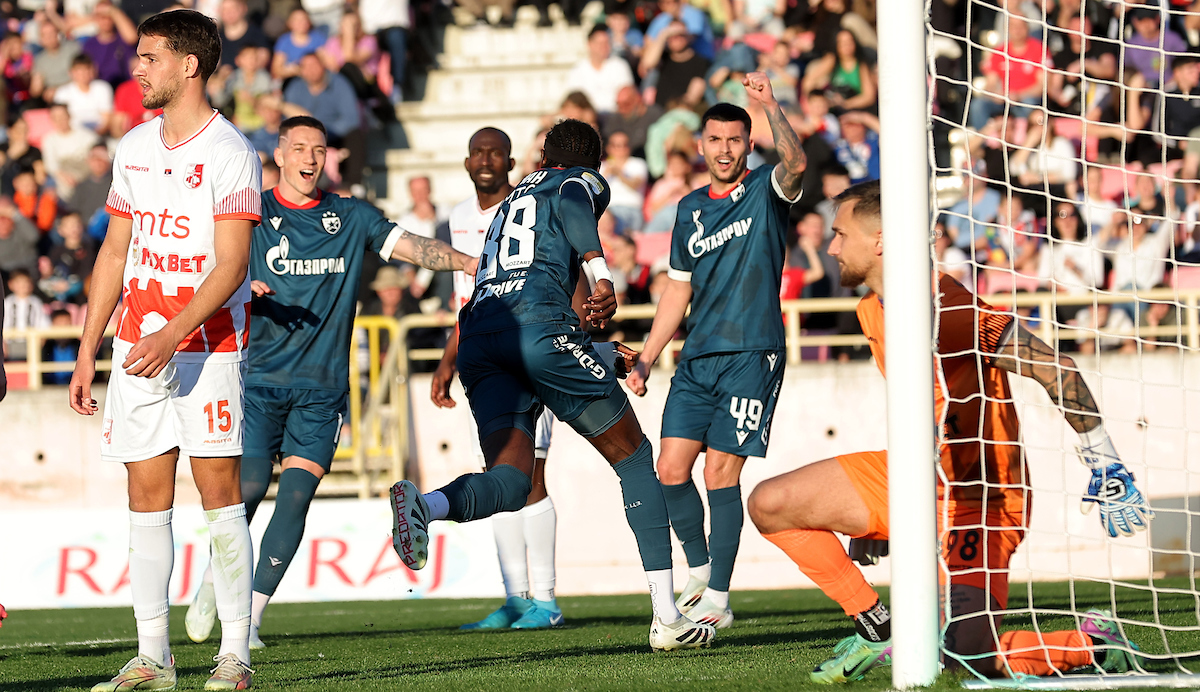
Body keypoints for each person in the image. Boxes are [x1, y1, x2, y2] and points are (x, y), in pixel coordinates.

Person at [747, 180, 1153, 684]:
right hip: (917, 477)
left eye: (839, 234)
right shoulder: (870, 309)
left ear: (878, 240)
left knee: (961, 659)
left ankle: (1089, 644)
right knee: (771, 503)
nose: (831, 247)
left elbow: (1057, 368)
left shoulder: (947, 308)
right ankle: (877, 627)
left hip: (982, 499)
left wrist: (1106, 461)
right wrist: (886, 513)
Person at [391, 118, 717, 651]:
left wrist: (599, 352)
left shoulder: (514, 198)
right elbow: (570, 205)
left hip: (480, 339)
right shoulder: (575, 183)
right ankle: (668, 618)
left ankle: (426, 507)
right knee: (634, 459)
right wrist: (601, 275)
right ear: (592, 163)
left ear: (543, 157)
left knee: (513, 481)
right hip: (534, 331)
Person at [184, 115, 476, 651]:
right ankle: (213, 578)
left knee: (294, 501)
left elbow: (413, 246)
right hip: (258, 384)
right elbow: (205, 267)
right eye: (299, 148)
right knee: (245, 494)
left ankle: (248, 618)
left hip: (321, 392)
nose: (310, 158)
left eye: (319, 149)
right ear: (279, 154)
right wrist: (239, 283)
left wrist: (468, 263)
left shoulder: (351, 216)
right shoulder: (251, 213)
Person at [67, 10, 262, 691]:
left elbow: (233, 264)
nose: (136, 68)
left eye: (150, 57)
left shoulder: (232, 152)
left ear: (189, 65)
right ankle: (154, 658)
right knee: (145, 498)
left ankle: (234, 655)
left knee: (220, 496)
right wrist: (89, 346)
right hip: (136, 347)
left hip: (205, 348)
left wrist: (171, 332)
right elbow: (115, 250)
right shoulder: (134, 147)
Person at [625, 72, 806, 629]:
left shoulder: (765, 190)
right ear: (700, 145)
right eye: (715, 140)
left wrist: (770, 104)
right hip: (697, 357)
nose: (725, 149)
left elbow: (796, 165)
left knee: (721, 474)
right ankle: (701, 572)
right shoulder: (687, 210)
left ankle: (720, 602)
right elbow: (677, 287)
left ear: (748, 145)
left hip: (751, 354)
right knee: (670, 470)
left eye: (735, 140)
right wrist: (650, 354)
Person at [431, 127, 567, 630]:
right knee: (497, 477)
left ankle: (547, 601)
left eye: (496, 152)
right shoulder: (458, 219)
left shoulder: (530, 207)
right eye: (478, 152)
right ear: (467, 162)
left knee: (531, 477)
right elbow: (467, 301)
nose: (487, 159)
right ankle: (515, 599)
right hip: (482, 359)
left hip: (530, 354)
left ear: (511, 162)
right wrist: (449, 360)